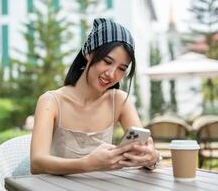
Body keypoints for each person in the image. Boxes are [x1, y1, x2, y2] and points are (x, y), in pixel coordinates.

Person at [30, 18, 160, 175]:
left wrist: (152, 158)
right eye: (107, 61)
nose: (111, 74)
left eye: (121, 68)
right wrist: (87, 164)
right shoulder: (51, 102)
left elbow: (142, 151)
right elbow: (37, 163)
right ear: (89, 53)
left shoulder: (119, 101)